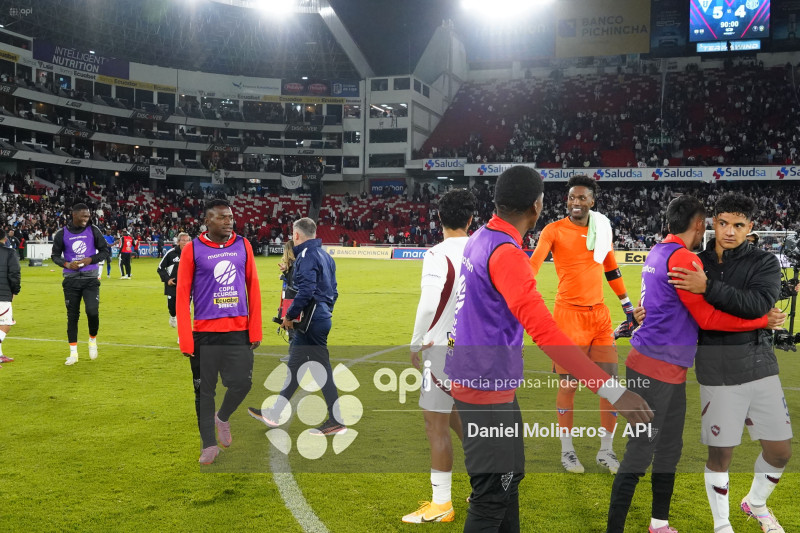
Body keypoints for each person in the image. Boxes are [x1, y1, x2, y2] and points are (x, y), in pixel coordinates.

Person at [444, 166, 653, 533]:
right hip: (483, 388)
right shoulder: (506, 253)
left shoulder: (480, 237)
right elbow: (546, 334)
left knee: (510, 481)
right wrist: (613, 389)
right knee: (493, 494)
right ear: (538, 206)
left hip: (488, 384)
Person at [606, 195, 785, 533]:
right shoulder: (685, 259)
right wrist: (761, 322)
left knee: (670, 448)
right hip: (656, 366)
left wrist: (641, 317)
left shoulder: (658, 251)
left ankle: (659, 524)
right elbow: (708, 318)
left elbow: (654, 302)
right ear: (700, 225)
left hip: (664, 366)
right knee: (641, 451)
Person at [666, 193, 793, 533]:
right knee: (721, 455)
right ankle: (722, 525)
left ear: (750, 227)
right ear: (713, 223)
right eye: (723, 223)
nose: (730, 232)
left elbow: (757, 304)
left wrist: (709, 287)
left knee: (780, 452)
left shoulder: (764, 263)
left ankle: (755, 502)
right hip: (716, 371)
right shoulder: (696, 261)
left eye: (738, 225)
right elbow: (690, 311)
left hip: (759, 365)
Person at [529, 174, 636, 474]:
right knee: (569, 385)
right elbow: (534, 263)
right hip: (568, 317)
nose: (575, 202)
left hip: (599, 317)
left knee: (610, 385)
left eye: (581, 198)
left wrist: (627, 306)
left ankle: (606, 450)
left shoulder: (601, 228)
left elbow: (611, 269)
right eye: (571, 198)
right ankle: (567, 451)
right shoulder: (553, 230)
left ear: (592, 201)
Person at [402, 189, 475, 524]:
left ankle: (441, 503)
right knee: (461, 417)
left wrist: (416, 344)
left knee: (436, 424)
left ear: (439, 219)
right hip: (478, 348)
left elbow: (430, 304)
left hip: (443, 349)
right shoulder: (484, 250)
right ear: (472, 219)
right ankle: (483, 484)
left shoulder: (436, 254)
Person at [176, 199, 262, 465]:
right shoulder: (193, 249)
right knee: (204, 392)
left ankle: (222, 417)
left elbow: (253, 286)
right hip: (204, 334)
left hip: (238, 331)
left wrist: (255, 329)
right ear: (207, 221)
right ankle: (208, 445)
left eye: (231, 217)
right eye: (222, 217)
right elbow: (181, 295)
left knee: (242, 383)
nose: (229, 221)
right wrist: (185, 337)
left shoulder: (243, 245)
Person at [249, 217, 343, 435]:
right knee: (295, 367)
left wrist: (289, 315)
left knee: (322, 370)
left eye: (293, 234)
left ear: (297, 235)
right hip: (320, 318)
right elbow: (334, 291)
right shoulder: (326, 257)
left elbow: (306, 291)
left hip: (311, 321)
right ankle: (274, 412)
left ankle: (336, 419)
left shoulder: (306, 255)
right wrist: (325, 312)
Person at [51, 203, 111, 365]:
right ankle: (73, 353)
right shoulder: (61, 234)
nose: (86, 219)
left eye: (88, 216)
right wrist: (66, 264)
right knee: (72, 316)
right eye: (83, 216)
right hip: (70, 280)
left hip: (90, 279)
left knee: (92, 312)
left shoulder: (93, 230)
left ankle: (92, 340)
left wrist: (91, 259)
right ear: (74, 215)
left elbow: (106, 251)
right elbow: (55, 256)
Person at [157, 232, 190, 330]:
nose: (185, 242)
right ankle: (172, 316)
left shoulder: (192, 253)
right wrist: (167, 280)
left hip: (187, 287)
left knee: (185, 311)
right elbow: (160, 268)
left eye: (187, 240)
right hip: (172, 286)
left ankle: (182, 336)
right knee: (172, 308)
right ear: (178, 242)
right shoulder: (171, 253)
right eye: (183, 240)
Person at [0, 229, 21, 366]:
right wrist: (15, 290)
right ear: (5, 238)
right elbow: (14, 274)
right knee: (6, 324)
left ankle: (0, 355)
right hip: (2, 293)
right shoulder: (9, 253)